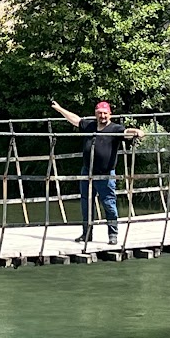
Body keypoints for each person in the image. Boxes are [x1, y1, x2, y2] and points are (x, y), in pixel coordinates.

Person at [50, 98, 142, 245]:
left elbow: (126, 132)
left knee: (109, 204)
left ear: (110, 114)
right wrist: (60, 109)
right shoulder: (90, 126)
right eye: (100, 113)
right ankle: (87, 234)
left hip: (105, 174)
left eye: (105, 113)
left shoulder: (115, 129)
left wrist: (136, 131)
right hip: (87, 172)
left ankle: (113, 234)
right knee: (86, 204)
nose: (102, 116)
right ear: (95, 114)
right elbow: (75, 120)